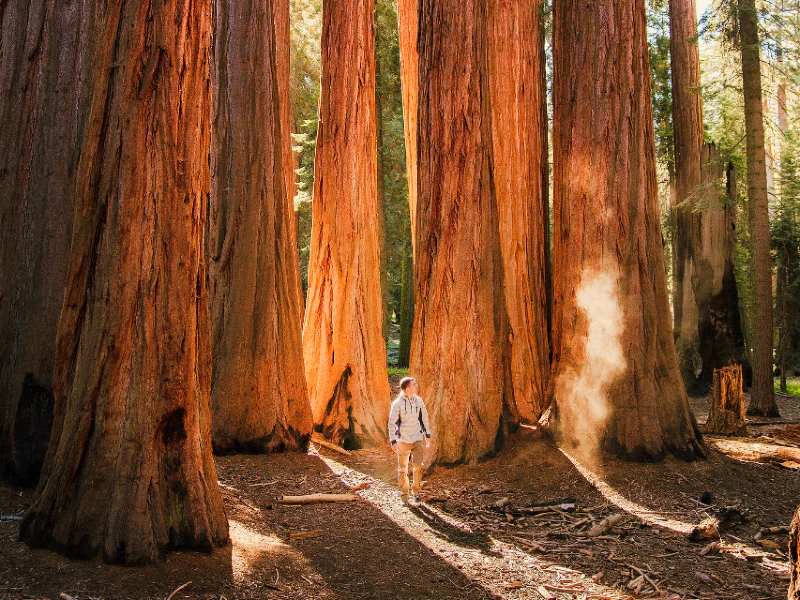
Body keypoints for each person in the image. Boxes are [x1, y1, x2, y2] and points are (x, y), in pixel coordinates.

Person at [388, 376, 432, 501]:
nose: (416, 386)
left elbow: (424, 418)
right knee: (403, 469)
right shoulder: (397, 403)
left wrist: (427, 435)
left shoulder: (419, 400)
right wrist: (393, 440)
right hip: (403, 440)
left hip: (417, 438)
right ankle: (404, 494)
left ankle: (416, 491)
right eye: (414, 384)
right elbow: (392, 422)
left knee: (418, 466)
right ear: (407, 388)